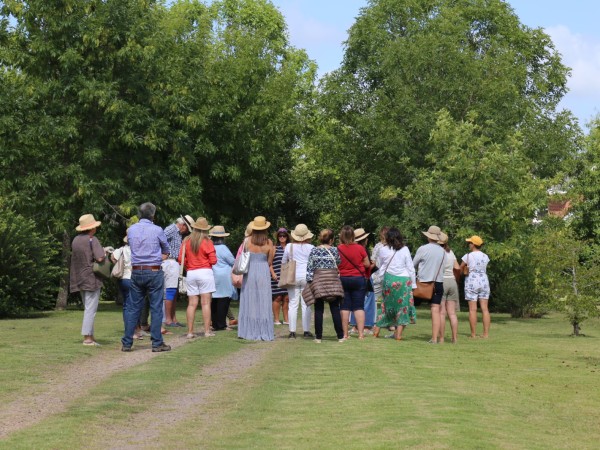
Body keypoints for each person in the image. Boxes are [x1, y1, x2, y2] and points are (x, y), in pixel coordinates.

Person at [121, 203, 171, 352]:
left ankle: (127, 342)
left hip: (136, 271)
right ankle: (156, 343)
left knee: (133, 307)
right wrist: (157, 256)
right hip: (154, 270)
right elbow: (166, 249)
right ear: (153, 215)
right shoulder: (157, 230)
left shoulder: (131, 230)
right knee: (156, 307)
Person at [373, 228, 416, 340]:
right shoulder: (405, 249)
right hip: (403, 280)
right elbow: (410, 267)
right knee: (403, 308)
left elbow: (381, 265)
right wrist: (414, 284)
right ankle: (398, 335)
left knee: (385, 306)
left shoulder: (383, 250)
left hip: (389, 279)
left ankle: (376, 332)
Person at [70, 214, 106, 346]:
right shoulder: (92, 239)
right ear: (92, 228)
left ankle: (91, 335)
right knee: (91, 309)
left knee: (87, 307)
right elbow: (100, 258)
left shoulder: (75, 240)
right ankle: (87, 338)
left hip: (78, 276)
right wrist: (105, 252)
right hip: (91, 277)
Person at [238, 216, 276, 341]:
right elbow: (270, 262)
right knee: (263, 300)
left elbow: (243, 257)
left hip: (250, 271)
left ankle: (249, 330)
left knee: (250, 299)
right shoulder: (269, 242)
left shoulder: (247, 241)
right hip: (263, 271)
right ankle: (263, 330)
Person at [179, 217, 217, 338]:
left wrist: (189, 265)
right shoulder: (207, 241)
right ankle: (207, 331)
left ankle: (190, 332)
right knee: (206, 303)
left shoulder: (186, 241)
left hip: (191, 273)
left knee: (192, 304)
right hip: (205, 272)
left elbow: (180, 259)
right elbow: (213, 260)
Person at [304, 229, 344, 343]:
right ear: (331, 240)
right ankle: (340, 336)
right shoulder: (335, 250)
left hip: (318, 281)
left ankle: (318, 337)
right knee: (335, 308)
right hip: (332, 281)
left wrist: (309, 282)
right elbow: (338, 262)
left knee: (318, 309)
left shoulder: (314, 250)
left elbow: (310, 267)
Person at [413, 225, 446, 344]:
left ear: (428, 237)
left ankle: (398, 332)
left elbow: (413, 264)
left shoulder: (423, 249)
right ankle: (434, 338)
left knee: (408, 305)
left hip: (423, 283)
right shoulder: (443, 251)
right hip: (438, 283)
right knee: (435, 310)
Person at [282, 224, 315, 338]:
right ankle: (306, 331)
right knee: (306, 304)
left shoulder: (289, 246)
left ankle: (292, 331)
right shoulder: (311, 247)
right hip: (307, 276)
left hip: (293, 276)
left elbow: (284, 261)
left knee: (293, 304)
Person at [337, 225, 370, 340]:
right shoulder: (360, 248)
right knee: (359, 307)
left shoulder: (338, 248)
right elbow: (367, 264)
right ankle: (361, 334)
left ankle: (345, 334)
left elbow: (336, 264)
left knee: (344, 307)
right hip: (358, 278)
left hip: (344, 278)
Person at [112, 233, 143, 340]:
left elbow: (113, 259)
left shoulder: (120, 250)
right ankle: (133, 331)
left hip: (123, 279)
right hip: (134, 279)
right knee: (135, 306)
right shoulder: (139, 250)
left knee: (126, 306)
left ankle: (129, 329)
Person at [163, 215, 193, 327]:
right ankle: (168, 319)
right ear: (183, 225)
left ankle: (173, 318)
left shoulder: (178, 233)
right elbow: (160, 238)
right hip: (170, 262)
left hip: (175, 262)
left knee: (174, 291)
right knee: (170, 290)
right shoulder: (172, 229)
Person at [460, 235, 491, 338]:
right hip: (484, 281)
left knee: (472, 309)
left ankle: (473, 334)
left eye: (469, 243)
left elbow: (460, 268)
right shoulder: (485, 256)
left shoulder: (468, 256)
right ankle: (485, 334)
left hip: (472, 281)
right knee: (485, 309)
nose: (468, 244)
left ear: (473, 245)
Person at [349, 228, 376, 335]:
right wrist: (373, 265)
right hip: (365, 278)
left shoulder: (352, 249)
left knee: (356, 302)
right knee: (368, 302)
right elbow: (366, 266)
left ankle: (355, 325)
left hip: (354, 277)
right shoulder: (363, 250)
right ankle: (366, 326)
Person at [210, 225, 236, 331]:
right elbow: (232, 261)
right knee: (224, 300)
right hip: (224, 276)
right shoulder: (224, 248)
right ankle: (221, 324)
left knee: (214, 300)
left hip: (213, 274)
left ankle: (215, 323)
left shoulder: (210, 247)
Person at [438, 232, 460, 343]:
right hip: (452, 281)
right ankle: (454, 338)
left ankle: (441, 338)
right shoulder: (450, 252)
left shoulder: (438, 252)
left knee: (442, 313)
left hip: (442, 281)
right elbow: (457, 267)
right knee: (452, 313)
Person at [271, 228, 290, 325]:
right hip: (276, 276)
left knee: (286, 298)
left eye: (284, 235)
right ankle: (277, 319)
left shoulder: (290, 247)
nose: (282, 237)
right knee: (277, 297)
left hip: (287, 276)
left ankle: (287, 319)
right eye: (280, 236)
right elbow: (269, 263)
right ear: (278, 237)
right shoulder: (274, 248)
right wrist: (273, 273)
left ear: (287, 237)